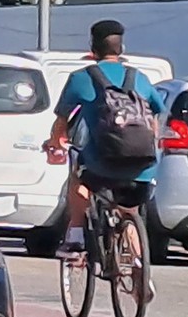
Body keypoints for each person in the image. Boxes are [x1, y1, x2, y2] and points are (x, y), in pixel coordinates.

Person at [46, 19, 167, 256]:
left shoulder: (82, 78)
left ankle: (76, 236)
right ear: (121, 48)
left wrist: (55, 143)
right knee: (128, 210)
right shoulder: (139, 77)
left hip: (100, 167)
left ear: (93, 47)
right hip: (142, 167)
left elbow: (62, 121)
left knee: (77, 180)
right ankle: (139, 272)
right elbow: (157, 112)